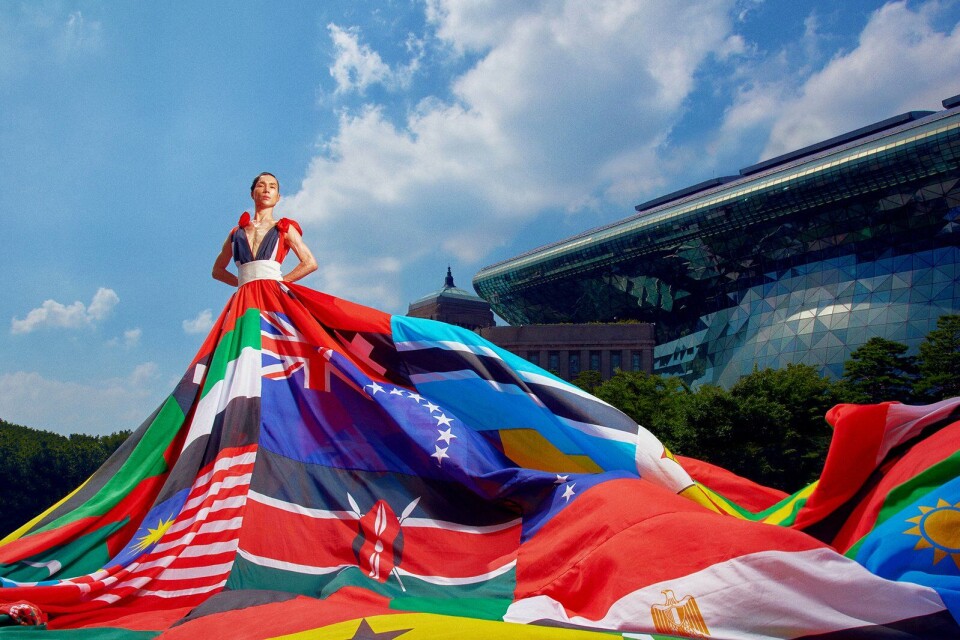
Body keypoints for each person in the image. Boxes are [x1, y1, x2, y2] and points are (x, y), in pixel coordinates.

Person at [211, 171, 317, 287]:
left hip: (272, 292)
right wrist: (243, 282)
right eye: (261, 185)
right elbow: (217, 271)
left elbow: (310, 262)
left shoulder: (284, 228)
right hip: (245, 294)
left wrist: (281, 281)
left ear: (278, 197)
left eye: (272, 187)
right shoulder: (236, 233)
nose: (266, 190)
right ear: (252, 193)